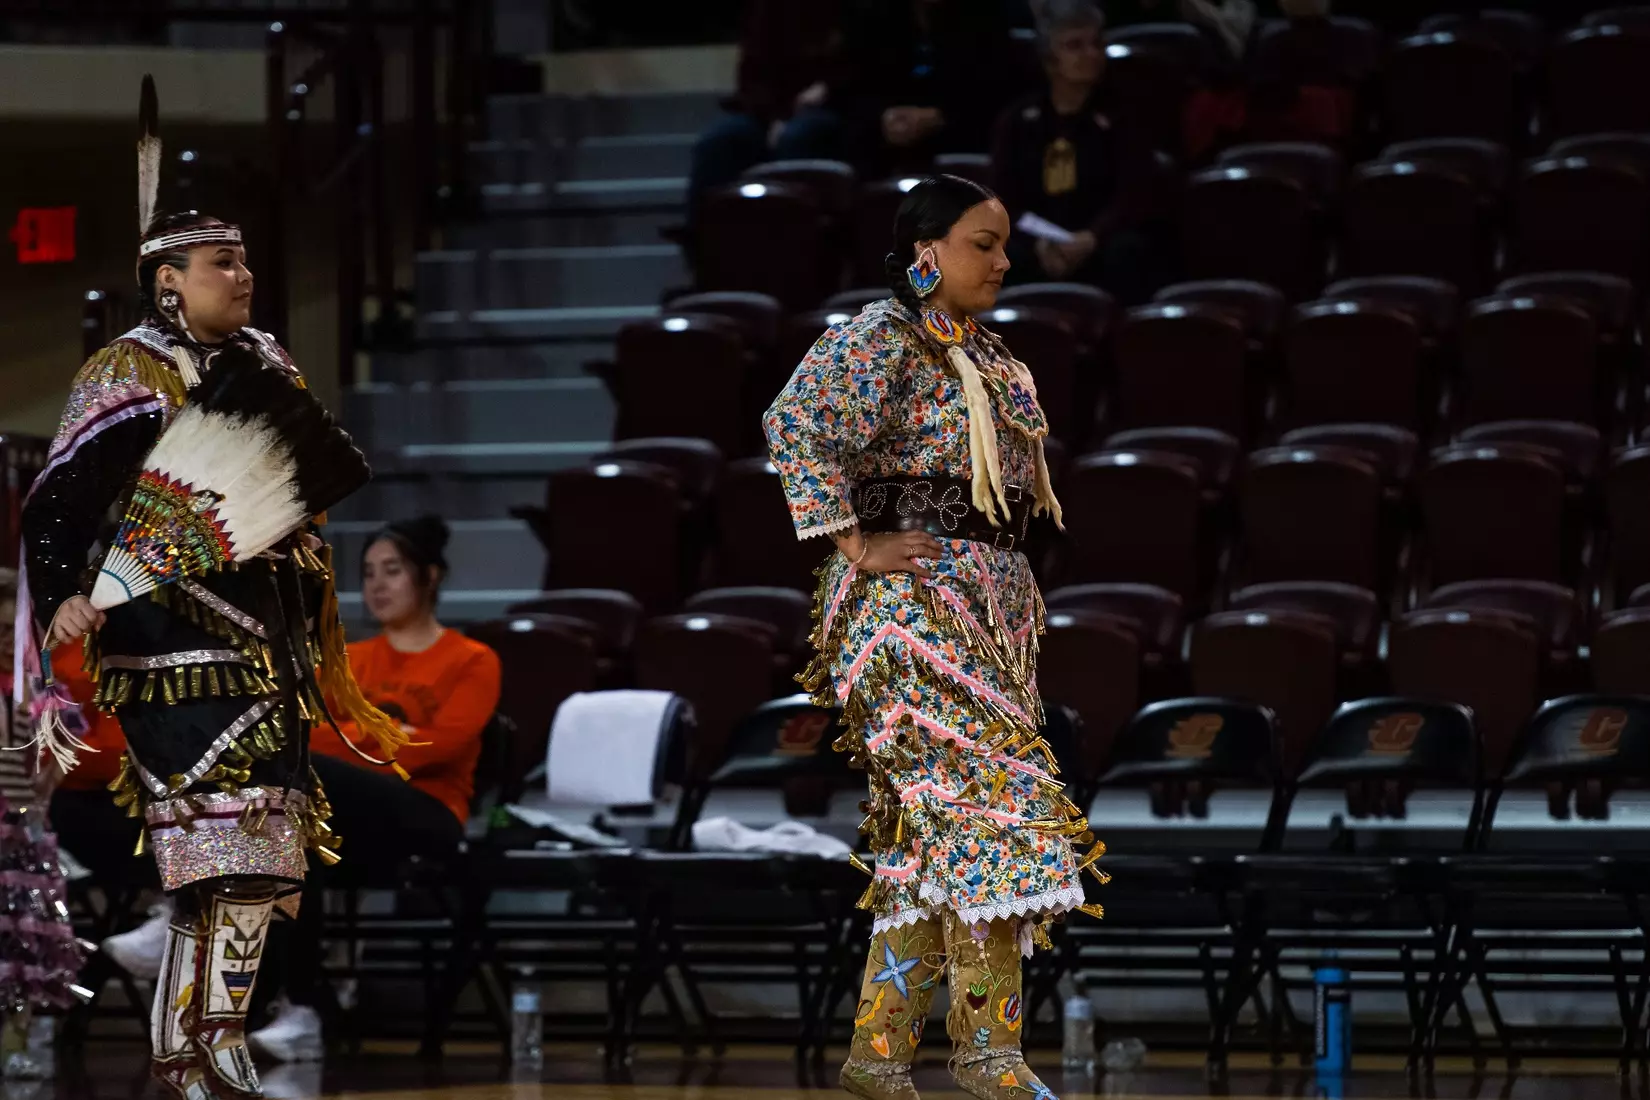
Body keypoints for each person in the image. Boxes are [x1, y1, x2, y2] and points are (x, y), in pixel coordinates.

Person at [17, 81, 401, 1100]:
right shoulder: (125, 372)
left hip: (267, 640)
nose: (244, 274)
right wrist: (63, 589)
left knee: (261, 856)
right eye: (220, 261)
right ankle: (210, 1045)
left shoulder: (266, 358)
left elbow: (291, 481)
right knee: (221, 847)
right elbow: (57, 498)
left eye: (244, 256)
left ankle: (194, 1046)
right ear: (168, 280)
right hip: (165, 639)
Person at [764, 175, 1105, 1100]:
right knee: (1003, 809)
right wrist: (855, 543)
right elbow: (796, 425)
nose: (1003, 260)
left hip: (985, 609)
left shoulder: (986, 352)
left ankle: (879, 1059)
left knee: (934, 836)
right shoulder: (883, 337)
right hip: (907, 611)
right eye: (983, 243)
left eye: (1004, 245)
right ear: (928, 251)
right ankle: (989, 1056)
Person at [249, 516, 500, 1061]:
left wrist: (357, 740)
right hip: (349, 819)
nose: (378, 585)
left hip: (431, 816)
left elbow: (442, 749)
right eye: (367, 574)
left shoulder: (473, 660)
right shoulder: (353, 659)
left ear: (429, 577)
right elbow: (309, 733)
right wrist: (393, 739)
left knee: (300, 775)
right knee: (290, 844)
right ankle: (305, 1008)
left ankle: (187, 921)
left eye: (393, 571)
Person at [991, 0, 1170, 304]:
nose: (1091, 54)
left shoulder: (1124, 115)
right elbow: (1002, 199)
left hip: (1103, 241)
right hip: (1041, 246)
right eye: (1075, 46)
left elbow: (1136, 193)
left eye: (1096, 44)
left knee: (1129, 252)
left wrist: (1092, 237)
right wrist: (1039, 243)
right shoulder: (1018, 121)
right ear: (1049, 59)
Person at [685, 0, 846, 212]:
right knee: (719, 141)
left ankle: (790, 230)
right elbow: (753, 75)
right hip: (769, 112)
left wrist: (828, 87)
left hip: (836, 106)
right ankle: (705, 234)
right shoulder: (767, 9)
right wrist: (775, 116)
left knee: (799, 137)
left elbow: (867, 62)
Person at [831, 0, 1019, 177]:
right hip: (885, 135)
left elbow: (996, 94)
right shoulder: (875, 13)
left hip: (962, 132)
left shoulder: (984, 14)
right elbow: (857, 86)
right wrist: (882, 117)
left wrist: (940, 117)